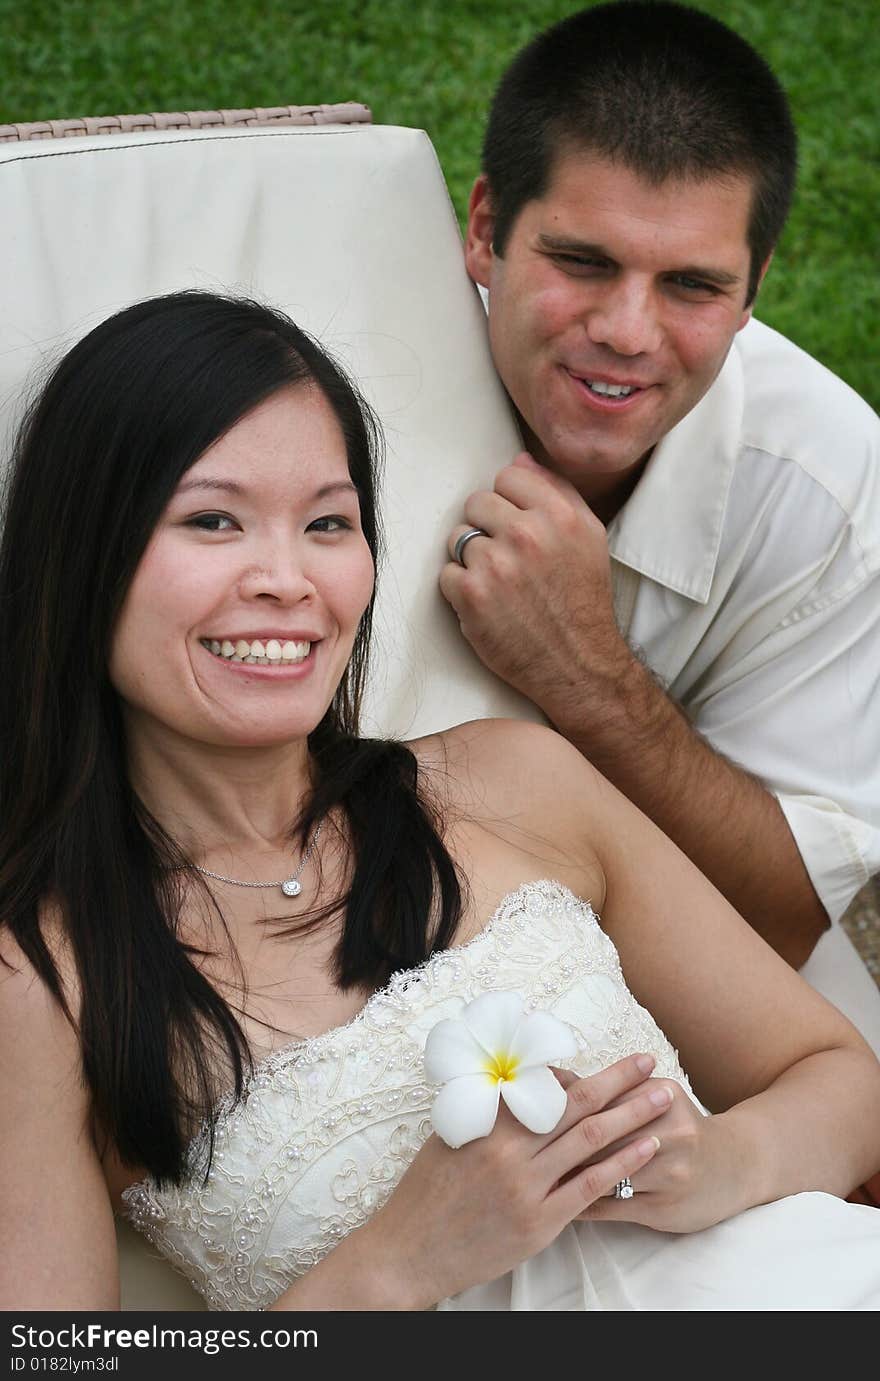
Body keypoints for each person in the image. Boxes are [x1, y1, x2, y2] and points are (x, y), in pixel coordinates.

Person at [2, 291, 880, 1314]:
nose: (289, 579)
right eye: (212, 519)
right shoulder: (43, 979)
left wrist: (718, 1164)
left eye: (328, 522)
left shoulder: (514, 781)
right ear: (84, 557)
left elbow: (838, 1073)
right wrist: (396, 1262)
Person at [440, 2, 880, 1026]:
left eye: (690, 284)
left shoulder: (832, 483)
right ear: (484, 230)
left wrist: (584, 676)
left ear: (754, 288)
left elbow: (782, 916)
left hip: (671, 958)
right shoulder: (321, 393)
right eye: (582, 262)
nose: (625, 332)